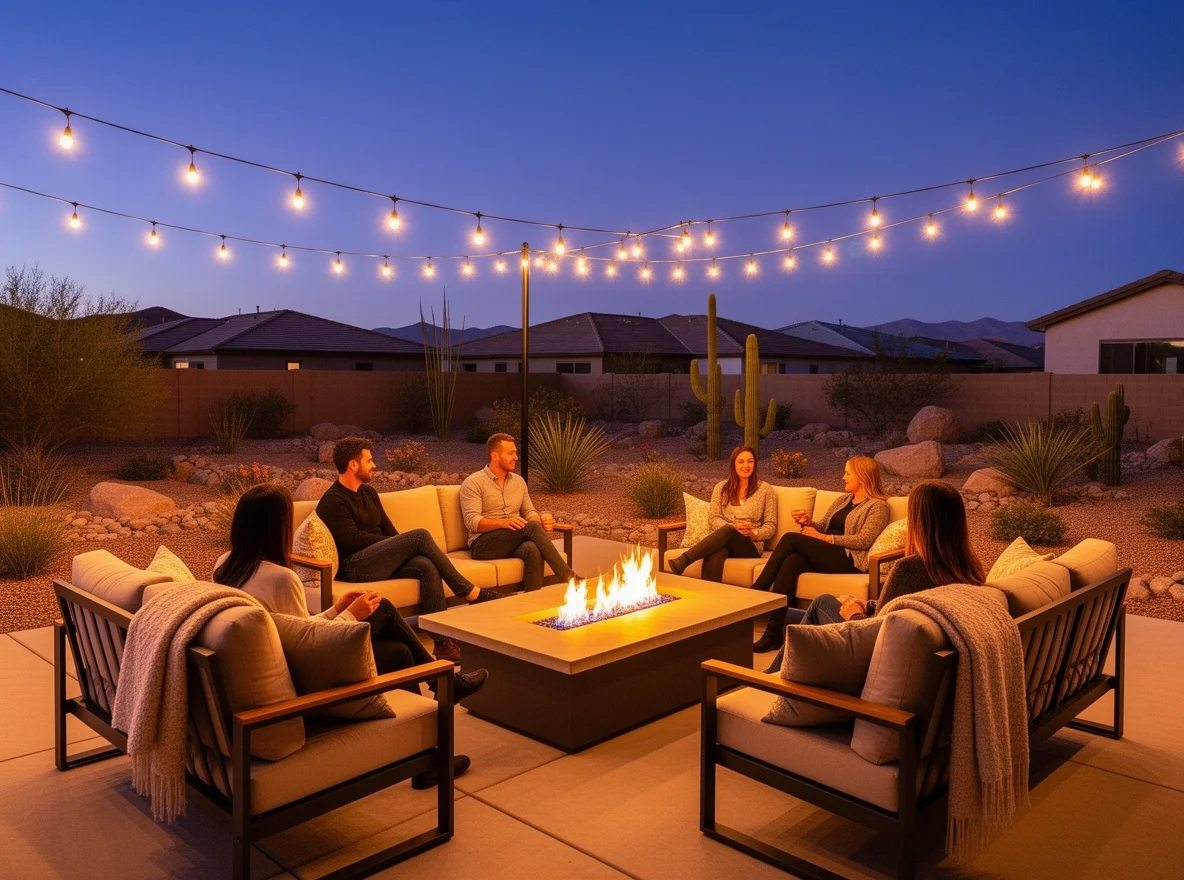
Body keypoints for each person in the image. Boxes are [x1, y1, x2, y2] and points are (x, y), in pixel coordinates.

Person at [213, 483, 486, 789]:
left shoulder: (225, 566)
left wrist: (336, 610)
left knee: (399, 652)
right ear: (276, 527)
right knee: (382, 610)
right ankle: (442, 692)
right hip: (306, 681)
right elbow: (308, 645)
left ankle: (430, 747)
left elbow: (296, 629)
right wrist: (350, 615)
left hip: (282, 663)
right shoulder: (281, 579)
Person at [764, 480, 985, 671]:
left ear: (920, 523)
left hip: (871, 652)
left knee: (820, 603)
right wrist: (867, 605)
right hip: (901, 645)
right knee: (796, 566)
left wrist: (854, 615)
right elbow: (900, 608)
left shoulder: (909, 569)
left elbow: (876, 632)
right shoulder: (969, 568)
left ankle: (769, 678)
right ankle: (775, 667)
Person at [317, 437, 499, 665]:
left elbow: (389, 529)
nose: (374, 465)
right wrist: (396, 544)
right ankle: (470, 592)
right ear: (353, 465)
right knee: (419, 535)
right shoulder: (333, 500)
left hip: (379, 559)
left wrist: (397, 546)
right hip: (355, 566)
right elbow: (351, 540)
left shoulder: (369, 493)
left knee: (425, 565)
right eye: (369, 460)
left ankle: (443, 645)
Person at [750, 455, 891, 652]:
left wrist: (824, 539)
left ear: (862, 476)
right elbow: (823, 525)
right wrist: (808, 523)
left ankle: (756, 591)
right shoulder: (843, 500)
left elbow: (864, 539)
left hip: (849, 559)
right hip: (828, 554)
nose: (843, 477)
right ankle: (774, 632)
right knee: (792, 561)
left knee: (791, 538)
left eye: (848, 473)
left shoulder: (878, 506)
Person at [460, 433, 581, 591]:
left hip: (512, 539)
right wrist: (504, 523)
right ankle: (568, 577)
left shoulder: (519, 481)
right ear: (494, 456)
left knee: (532, 549)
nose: (516, 457)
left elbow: (530, 512)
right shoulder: (473, 483)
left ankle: (531, 602)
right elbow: (472, 522)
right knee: (530, 527)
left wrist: (541, 519)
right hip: (482, 544)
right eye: (510, 453)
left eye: (515, 452)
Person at [668, 445, 776, 583]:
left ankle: (685, 559)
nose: (746, 465)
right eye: (741, 462)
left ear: (755, 464)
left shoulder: (766, 490)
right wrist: (733, 526)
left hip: (750, 546)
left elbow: (771, 526)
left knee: (729, 530)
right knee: (718, 551)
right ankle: (711, 597)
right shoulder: (721, 488)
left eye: (750, 461)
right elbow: (713, 519)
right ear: (733, 465)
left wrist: (753, 533)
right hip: (725, 539)